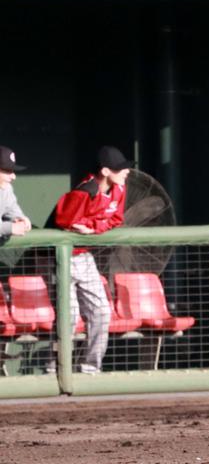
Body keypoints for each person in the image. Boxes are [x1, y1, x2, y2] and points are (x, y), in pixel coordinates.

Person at [52, 145, 132, 374]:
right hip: (62, 257)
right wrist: (88, 227)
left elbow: (116, 219)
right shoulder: (85, 190)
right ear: (106, 171)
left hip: (84, 256)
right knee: (68, 317)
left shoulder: (119, 188)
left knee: (101, 311)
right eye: (121, 169)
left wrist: (94, 227)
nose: (126, 172)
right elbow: (65, 222)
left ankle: (90, 368)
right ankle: (56, 369)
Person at [0, 145, 32, 238]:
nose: (13, 177)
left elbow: (11, 207)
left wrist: (19, 218)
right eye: (7, 171)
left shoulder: (6, 187)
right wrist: (10, 228)